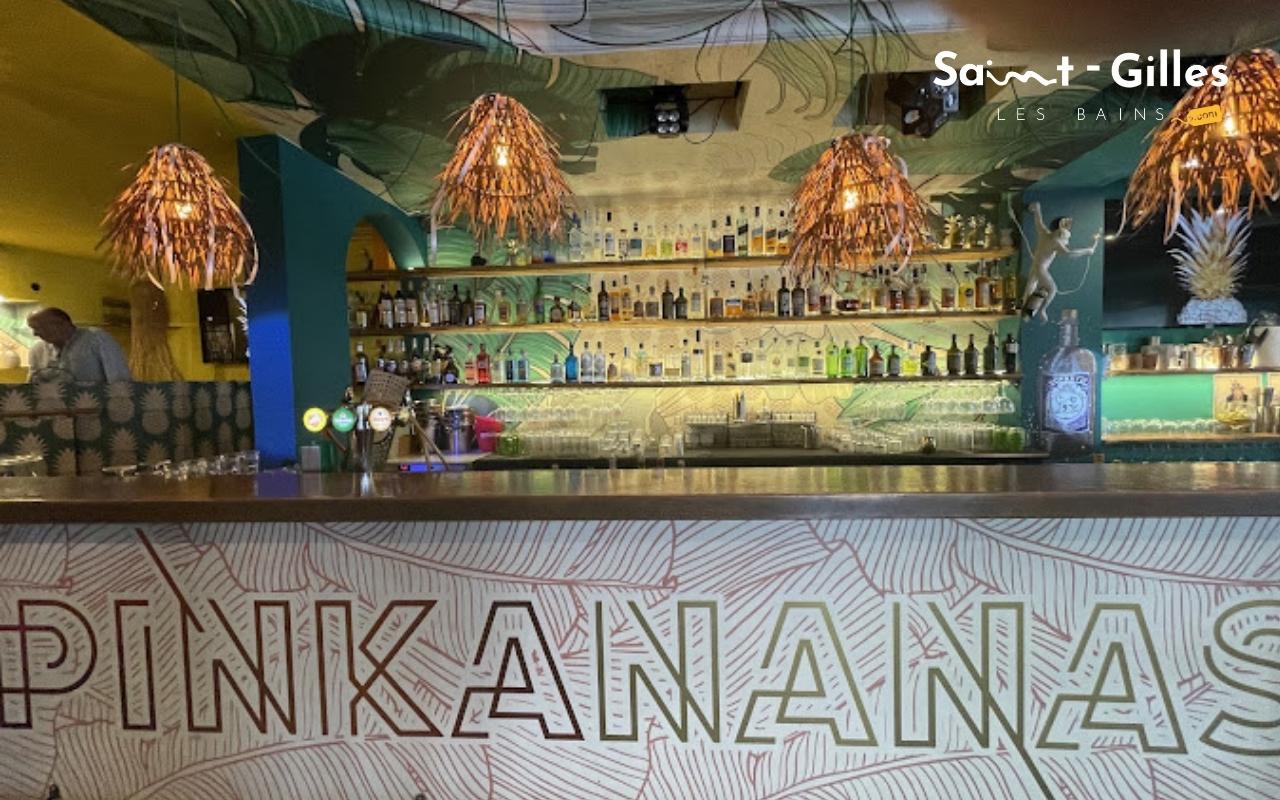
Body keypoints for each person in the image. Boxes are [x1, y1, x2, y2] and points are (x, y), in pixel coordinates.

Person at [26, 307, 131, 383]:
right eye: (33, 329)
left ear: (62, 324)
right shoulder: (37, 351)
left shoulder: (96, 339)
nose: (35, 334)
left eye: (39, 328)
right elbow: (32, 386)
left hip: (95, 405)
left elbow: (120, 379)